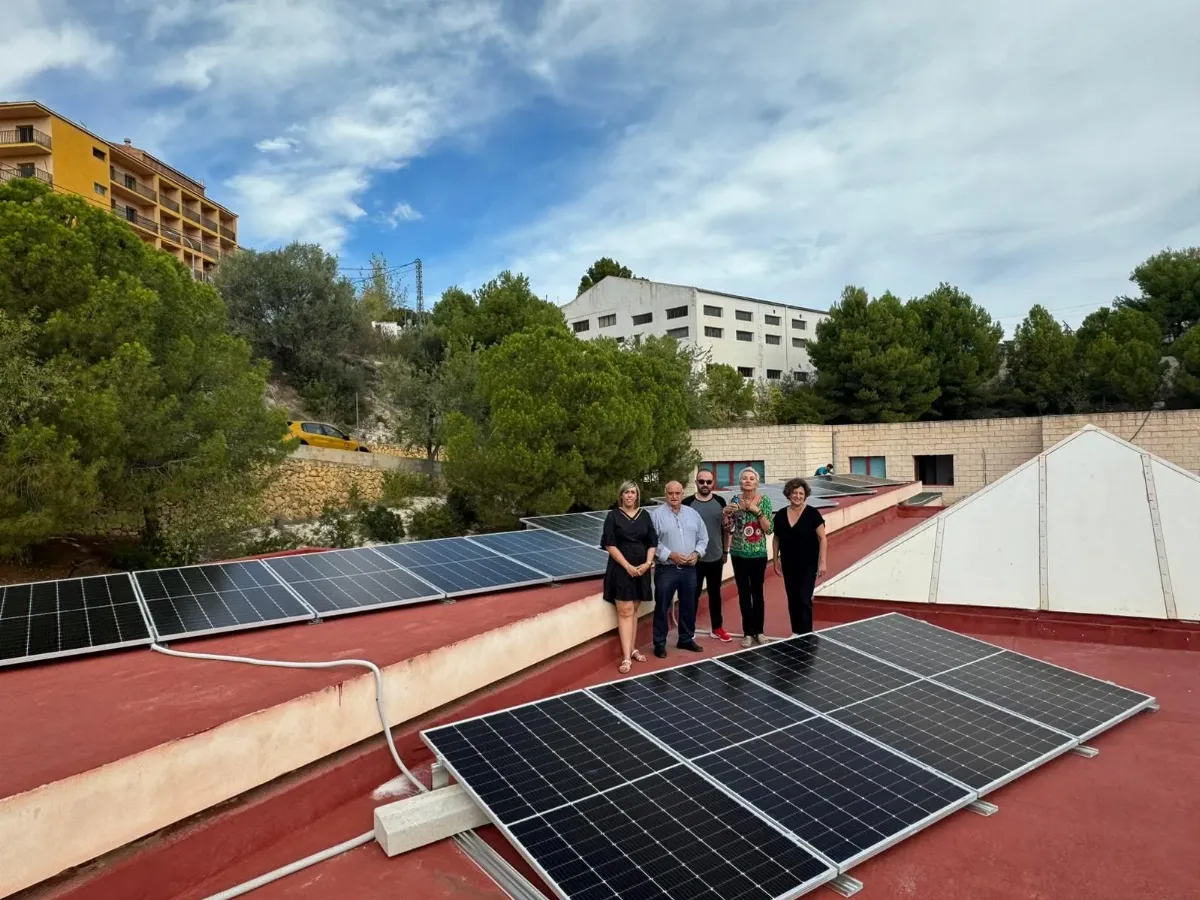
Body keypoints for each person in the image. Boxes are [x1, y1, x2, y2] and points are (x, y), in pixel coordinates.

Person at [600, 481, 658, 674]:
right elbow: (610, 544)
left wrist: (647, 563)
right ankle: (626, 658)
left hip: (642, 569)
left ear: (637, 495)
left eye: (633, 492)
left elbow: (652, 542)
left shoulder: (645, 516)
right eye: (626, 492)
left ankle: (632, 648)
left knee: (633, 609)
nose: (630, 496)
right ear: (621, 495)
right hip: (621, 570)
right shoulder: (613, 516)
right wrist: (627, 566)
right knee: (624, 611)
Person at [649, 481, 708, 658]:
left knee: (689, 605)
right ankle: (659, 643)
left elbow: (703, 537)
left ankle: (686, 639)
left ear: (682, 493)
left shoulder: (693, 514)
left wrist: (697, 553)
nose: (674, 497)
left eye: (677, 493)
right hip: (667, 569)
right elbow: (652, 542)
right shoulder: (656, 515)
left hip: (689, 568)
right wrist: (669, 554)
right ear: (665, 494)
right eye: (670, 493)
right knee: (662, 606)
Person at [772, 477, 828, 636]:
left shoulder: (812, 513)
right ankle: (796, 632)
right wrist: (776, 560)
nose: (797, 496)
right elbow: (776, 538)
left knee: (804, 598)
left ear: (805, 495)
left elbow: (822, 538)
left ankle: (807, 633)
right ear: (788, 495)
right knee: (793, 598)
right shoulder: (781, 515)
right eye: (794, 493)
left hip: (808, 564)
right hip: (789, 564)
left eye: (801, 493)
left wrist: (822, 562)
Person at [724, 467, 773, 647]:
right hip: (738, 554)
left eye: (751, 478)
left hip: (758, 554)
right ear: (740, 482)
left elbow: (769, 529)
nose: (747, 481)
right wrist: (725, 514)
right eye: (744, 478)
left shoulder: (765, 500)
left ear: (756, 482)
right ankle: (747, 633)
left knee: (757, 593)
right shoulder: (734, 500)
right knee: (744, 594)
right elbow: (728, 527)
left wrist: (755, 510)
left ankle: (759, 631)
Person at [683, 469, 732, 641]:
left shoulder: (720, 502)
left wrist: (726, 551)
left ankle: (717, 628)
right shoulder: (687, 503)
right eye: (701, 481)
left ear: (713, 483)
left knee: (715, 594)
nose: (705, 485)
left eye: (708, 482)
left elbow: (725, 530)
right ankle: (689, 629)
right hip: (693, 559)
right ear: (696, 483)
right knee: (692, 595)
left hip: (715, 556)